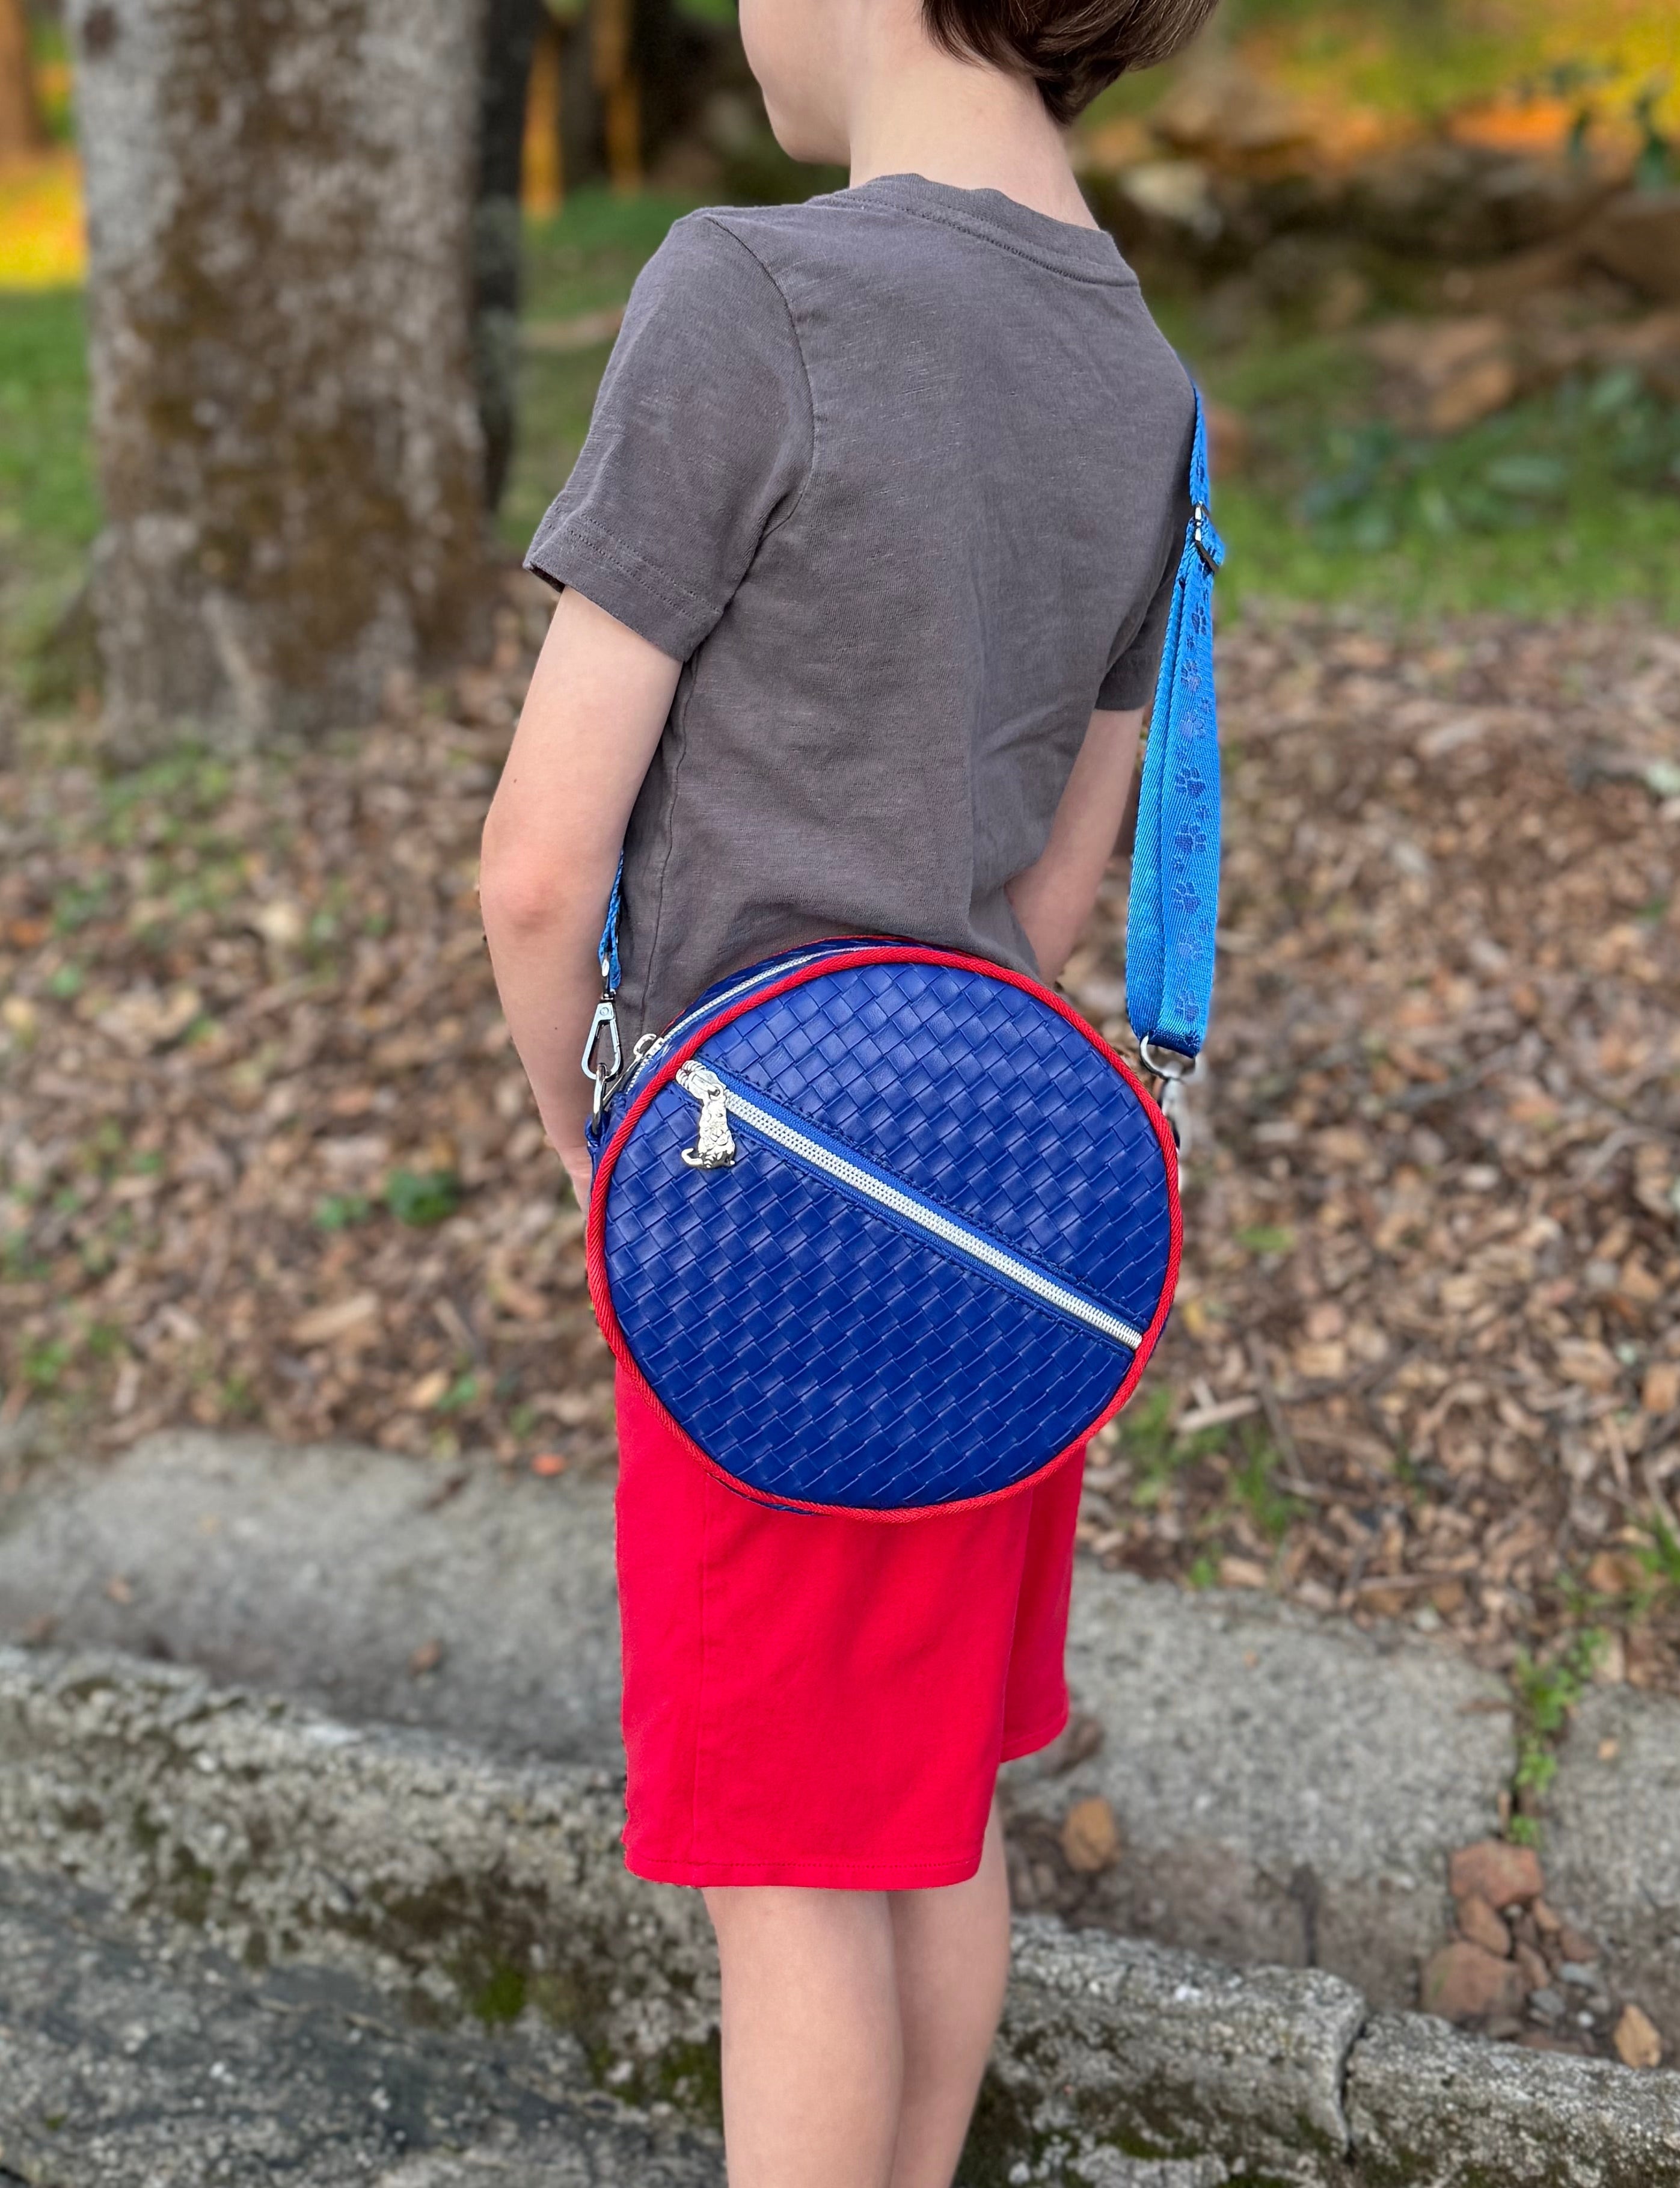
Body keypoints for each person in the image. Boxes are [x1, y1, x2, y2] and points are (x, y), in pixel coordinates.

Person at [479, 0, 1219, 2177]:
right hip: (1002, 1212)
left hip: (765, 1232)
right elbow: (1063, 891)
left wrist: (601, 1152)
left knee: (789, 1876)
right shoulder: (1146, 382)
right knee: (922, 1818)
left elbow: (539, 867)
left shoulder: (754, 289)